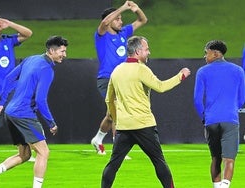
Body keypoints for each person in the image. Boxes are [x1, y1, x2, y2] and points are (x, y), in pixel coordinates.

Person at [0, 36, 68, 188]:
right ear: (52, 51)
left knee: (24, 155)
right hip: (23, 114)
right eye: (62, 51)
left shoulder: (31, 59)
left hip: (11, 112)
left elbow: (8, 78)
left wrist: (1, 103)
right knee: (44, 153)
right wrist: (51, 122)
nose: (64, 55)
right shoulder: (47, 70)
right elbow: (40, 100)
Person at [101, 36, 191, 188]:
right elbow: (160, 87)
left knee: (113, 164)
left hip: (124, 128)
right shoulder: (141, 69)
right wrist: (180, 76)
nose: (149, 52)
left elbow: (109, 100)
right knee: (159, 161)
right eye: (147, 49)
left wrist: (117, 120)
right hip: (144, 126)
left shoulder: (116, 71)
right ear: (138, 51)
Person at [91, 0, 148, 155]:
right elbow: (104, 22)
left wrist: (136, 9)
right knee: (118, 109)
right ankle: (119, 149)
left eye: (121, 18)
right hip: (106, 78)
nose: (121, 21)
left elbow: (143, 20)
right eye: (118, 19)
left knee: (111, 115)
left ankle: (98, 139)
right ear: (110, 20)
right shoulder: (101, 35)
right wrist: (123, 7)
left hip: (122, 79)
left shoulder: (124, 33)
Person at [194, 40, 245, 188]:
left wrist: (204, 117)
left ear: (216, 53)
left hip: (211, 121)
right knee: (229, 159)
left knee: (216, 159)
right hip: (230, 120)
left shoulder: (202, 71)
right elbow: (242, 99)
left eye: (206, 52)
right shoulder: (238, 71)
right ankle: (225, 186)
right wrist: (231, 108)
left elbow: (197, 100)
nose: (204, 56)